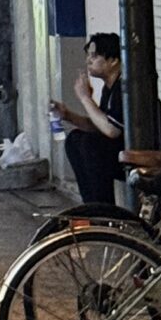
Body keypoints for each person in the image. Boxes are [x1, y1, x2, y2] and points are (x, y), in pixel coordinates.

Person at [54, 30, 129, 205]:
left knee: (91, 146)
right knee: (74, 139)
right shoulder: (108, 88)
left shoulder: (124, 87)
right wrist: (68, 115)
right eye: (88, 56)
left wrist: (85, 98)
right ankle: (91, 205)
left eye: (94, 57)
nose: (88, 61)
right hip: (120, 148)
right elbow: (98, 126)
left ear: (113, 60)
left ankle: (104, 209)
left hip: (141, 152)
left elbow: (111, 130)